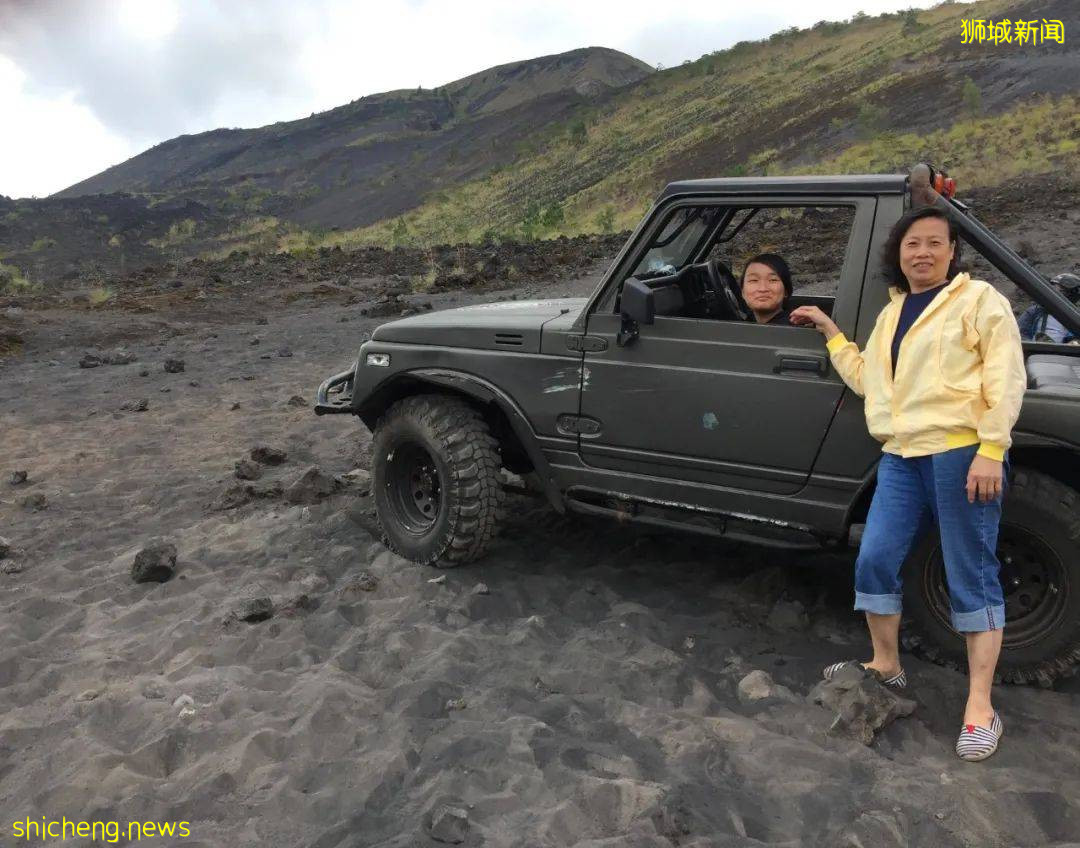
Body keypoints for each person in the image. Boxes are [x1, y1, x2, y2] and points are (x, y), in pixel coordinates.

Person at [789, 206, 1027, 762]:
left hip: (961, 451)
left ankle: (979, 707)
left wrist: (992, 449)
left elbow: (1006, 374)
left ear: (951, 251)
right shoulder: (893, 313)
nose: (922, 252)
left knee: (971, 572)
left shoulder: (978, 301)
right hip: (900, 456)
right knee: (874, 559)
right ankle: (887, 664)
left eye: (934, 243)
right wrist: (831, 335)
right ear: (898, 254)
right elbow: (872, 379)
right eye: (912, 244)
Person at [1017, 272, 1080, 344]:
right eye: (1053, 288)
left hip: (1063, 353)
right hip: (1035, 352)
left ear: (1072, 294)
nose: (1054, 292)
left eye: (1061, 290)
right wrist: (1034, 345)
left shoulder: (1074, 316)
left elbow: (1075, 339)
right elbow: (1019, 333)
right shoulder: (1035, 311)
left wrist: (1073, 342)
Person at [740, 253, 792, 325]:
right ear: (742, 292)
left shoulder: (801, 328)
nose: (762, 289)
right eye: (754, 280)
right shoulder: (740, 326)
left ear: (786, 291)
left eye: (773, 280)